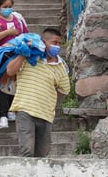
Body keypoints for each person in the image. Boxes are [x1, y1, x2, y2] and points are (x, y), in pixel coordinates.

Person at [6, 28, 70, 157]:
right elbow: (10, 71)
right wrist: (23, 54)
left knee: (42, 155)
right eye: (54, 42)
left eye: (59, 43)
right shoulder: (29, 57)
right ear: (43, 42)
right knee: (27, 152)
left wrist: (46, 93)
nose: (57, 46)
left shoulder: (60, 65)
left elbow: (64, 89)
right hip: (25, 111)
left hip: (46, 114)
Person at [0, 0, 28, 129]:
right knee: (3, 83)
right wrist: (7, 33)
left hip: (16, 54)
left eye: (10, 7)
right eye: (5, 7)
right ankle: (2, 115)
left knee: (15, 83)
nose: (8, 9)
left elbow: (25, 34)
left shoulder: (17, 19)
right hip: (1, 56)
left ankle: (12, 109)